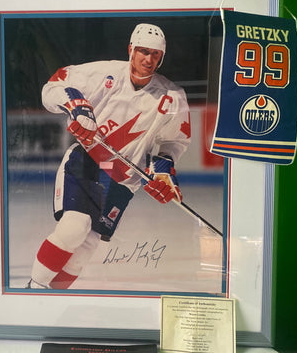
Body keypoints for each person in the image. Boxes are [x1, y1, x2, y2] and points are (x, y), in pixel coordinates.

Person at [26, 23, 192, 289]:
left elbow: (173, 141)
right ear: (131, 50)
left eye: (155, 54)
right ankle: (34, 290)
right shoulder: (105, 73)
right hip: (87, 161)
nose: (148, 59)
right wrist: (76, 105)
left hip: (123, 181)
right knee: (74, 227)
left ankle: (53, 298)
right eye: (143, 51)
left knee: (85, 249)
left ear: (161, 57)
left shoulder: (172, 96)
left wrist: (162, 170)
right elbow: (53, 86)